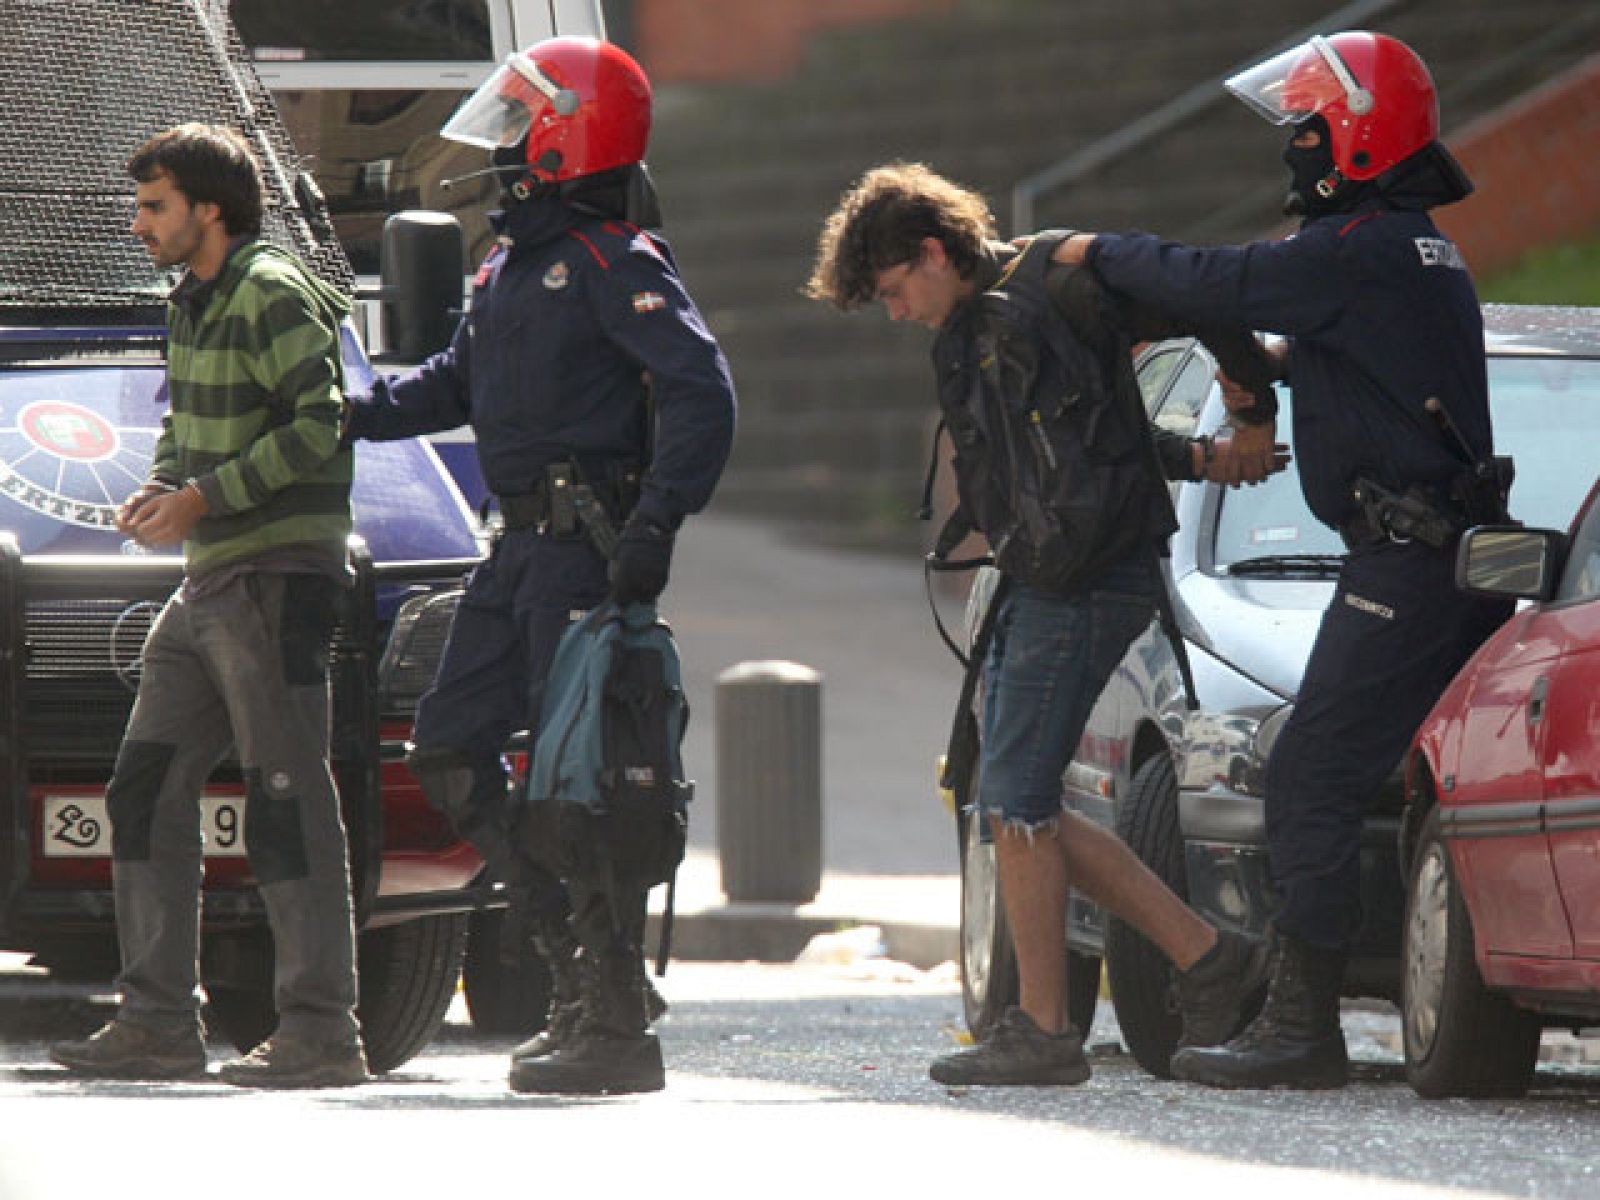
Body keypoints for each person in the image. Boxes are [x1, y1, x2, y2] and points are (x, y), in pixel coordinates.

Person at [1048, 31, 1515, 1090]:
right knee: (1365, 777)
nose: (1293, 146)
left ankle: (1303, 1028)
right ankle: (1342, 1014)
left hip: (1407, 562)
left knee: (1309, 773)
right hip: (1427, 554)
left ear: (1355, 140)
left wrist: (1092, 250)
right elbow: (1355, 357)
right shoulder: (1410, 250)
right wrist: (1266, 365)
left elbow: (1220, 278)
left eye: (1306, 128)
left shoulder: (1358, 248)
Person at [806, 161, 1284, 1087]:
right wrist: (1196, 458)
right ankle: (1207, 957)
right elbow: (1085, 445)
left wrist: (1253, 405)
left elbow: (1209, 296)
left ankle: (1048, 1029)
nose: (896, 313)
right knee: (1016, 801)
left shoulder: (1065, 281)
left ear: (933, 252)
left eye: (896, 290)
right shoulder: (967, 329)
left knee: (1017, 802)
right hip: (1041, 576)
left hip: (1090, 581)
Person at [342, 35, 735, 1096]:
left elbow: (703, 394)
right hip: (514, 553)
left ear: (571, 137)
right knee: (448, 751)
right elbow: (450, 384)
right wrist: (347, 411)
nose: (504, 144)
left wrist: (655, 527)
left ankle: (614, 1026)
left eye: (522, 122)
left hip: (582, 555)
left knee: (581, 788)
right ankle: (586, 972)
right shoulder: (509, 264)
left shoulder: (614, 260)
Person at [50, 124, 367, 1088]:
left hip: (275, 576)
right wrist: (164, 489)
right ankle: (157, 1022)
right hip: (211, 581)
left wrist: (202, 499)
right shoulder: (192, 298)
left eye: (155, 207)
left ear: (210, 210)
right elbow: (183, 424)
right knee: (144, 787)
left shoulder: (270, 291)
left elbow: (322, 423)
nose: (138, 224)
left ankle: (322, 1031)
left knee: (285, 796)